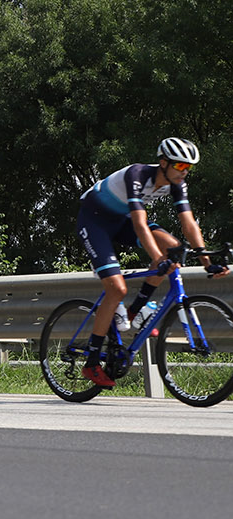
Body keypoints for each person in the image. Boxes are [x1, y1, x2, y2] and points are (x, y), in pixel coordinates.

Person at [75, 137, 227, 388]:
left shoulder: (178, 183)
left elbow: (189, 223)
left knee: (175, 250)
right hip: (95, 221)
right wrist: (157, 258)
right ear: (163, 162)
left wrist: (206, 261)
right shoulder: (137, 175)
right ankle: (91, 362)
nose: (185, 171)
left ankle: (135, 312)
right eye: (180, 166)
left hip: (120, 221)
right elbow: (139, 223)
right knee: (117, 288)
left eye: (188, 167)